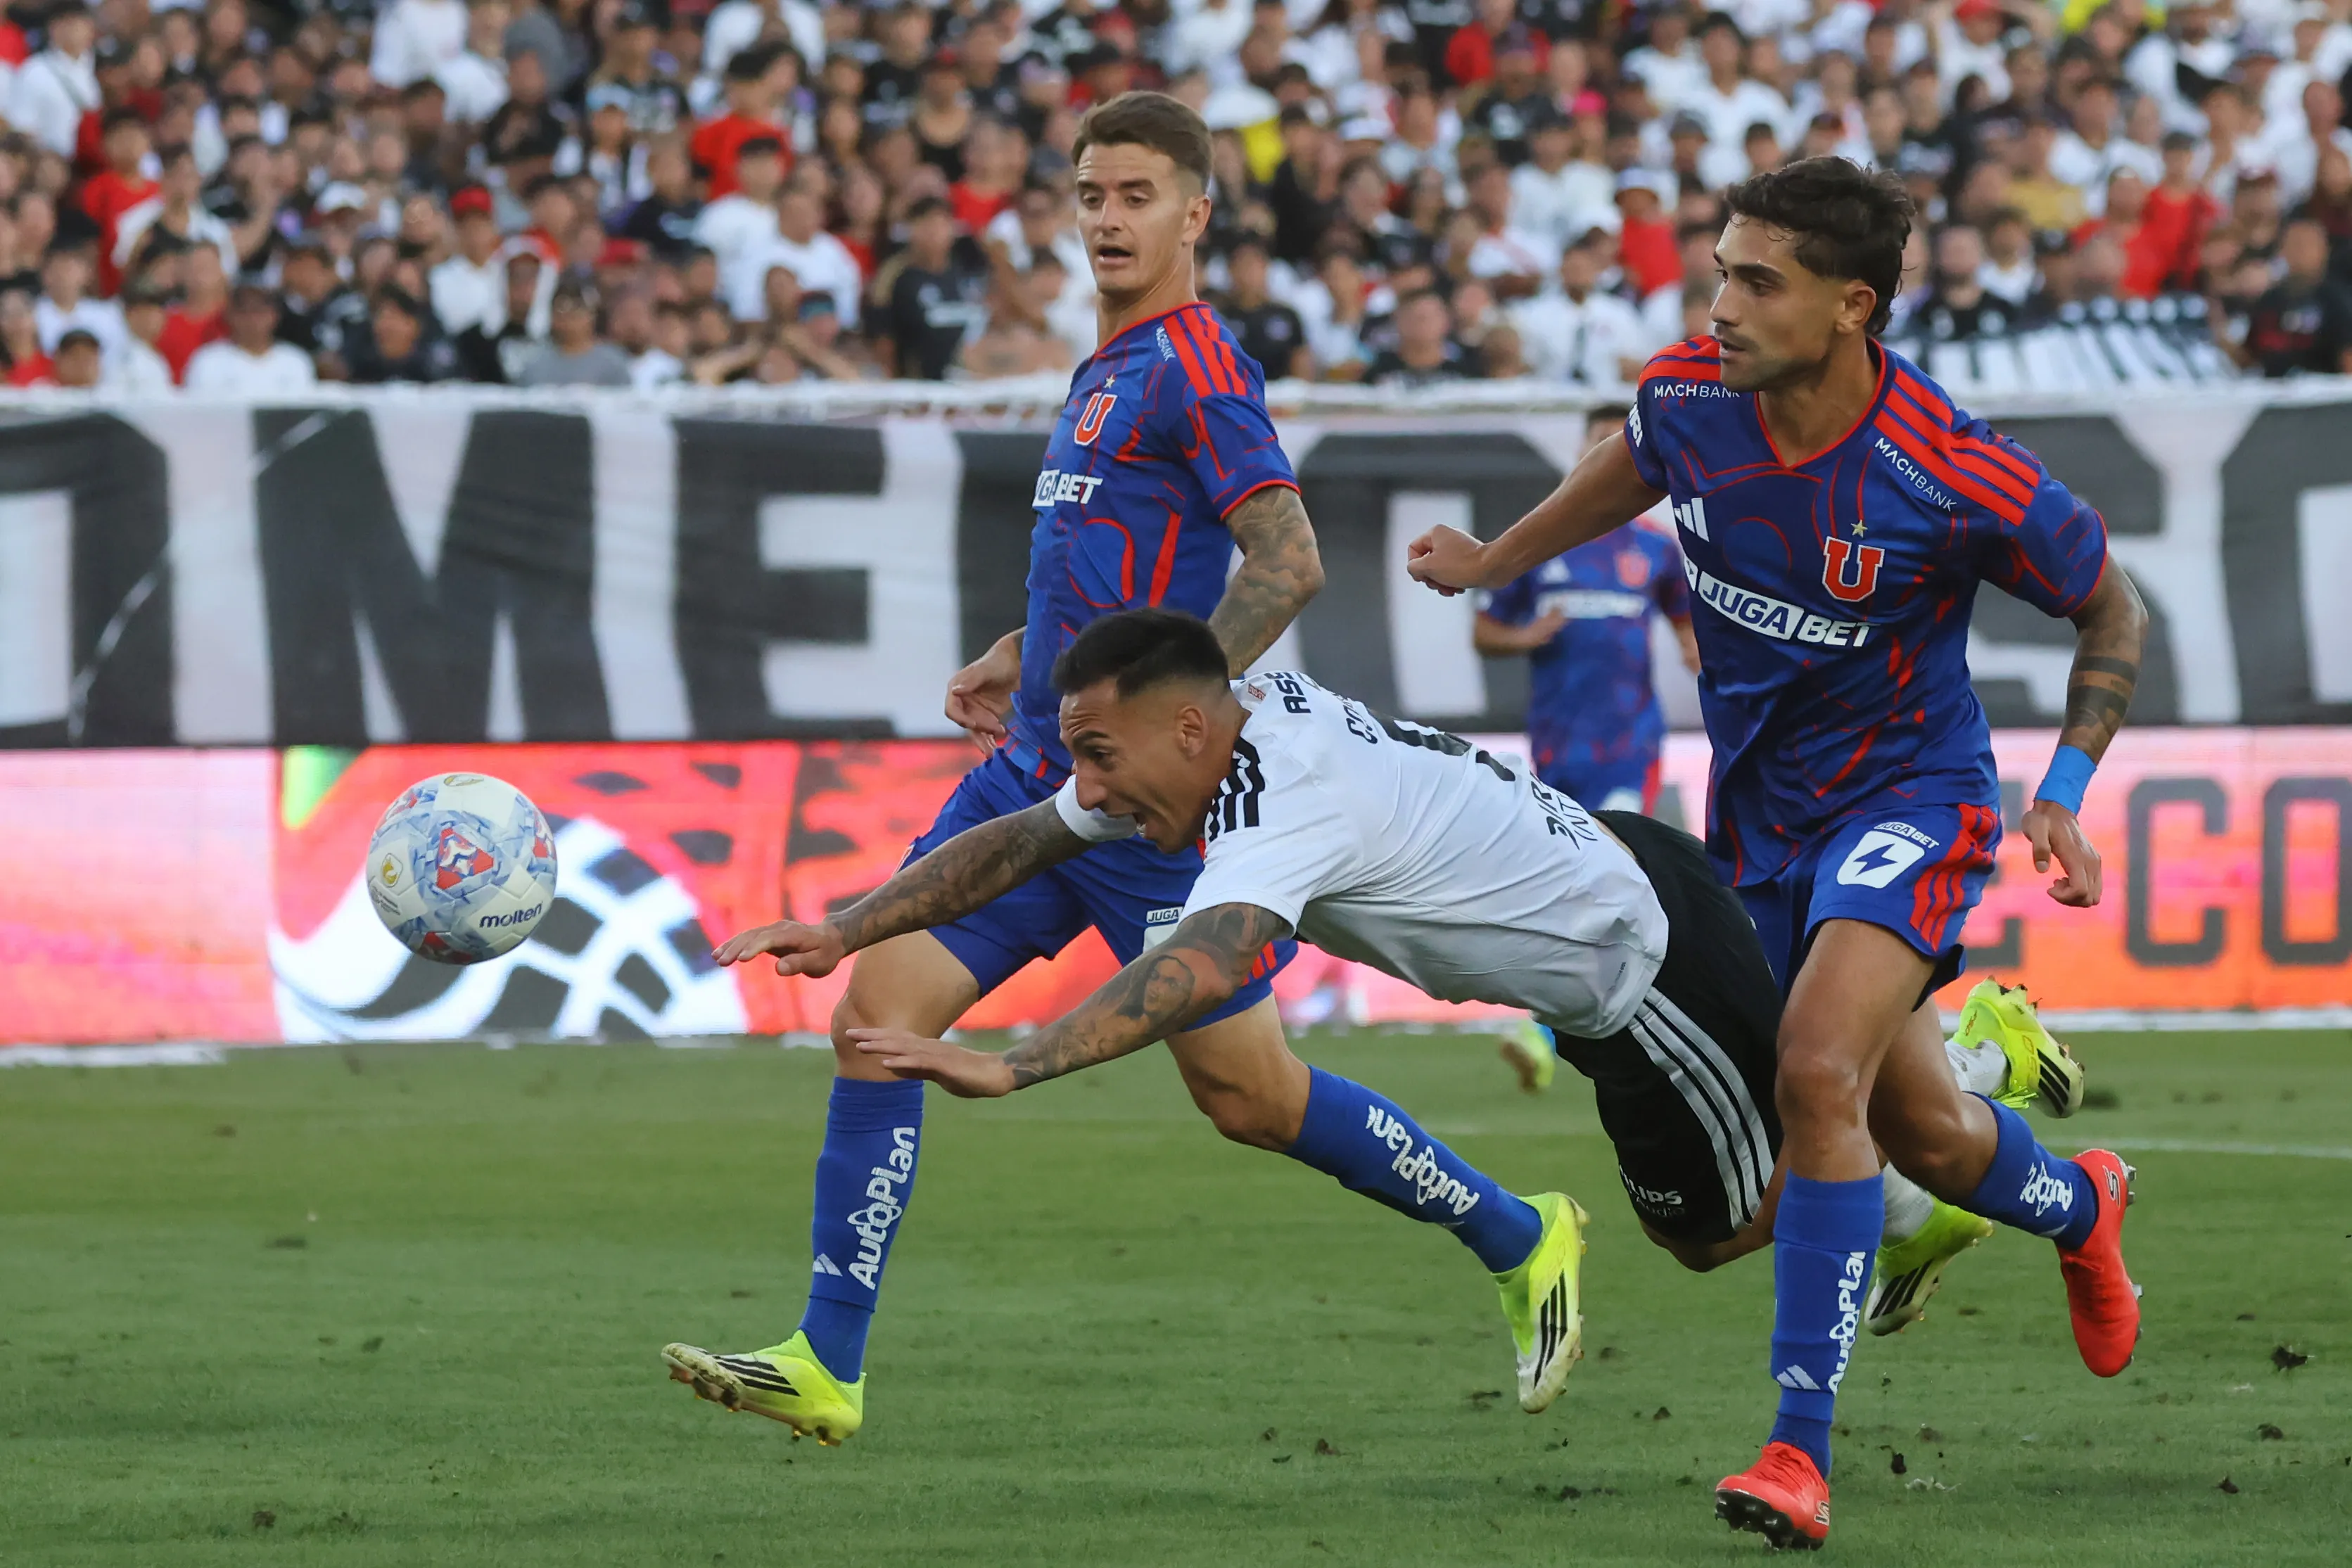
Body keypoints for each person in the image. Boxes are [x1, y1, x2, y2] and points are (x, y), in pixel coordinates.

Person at [723, 612, 2083, 1407]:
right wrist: (849, 925)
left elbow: (1199, 963)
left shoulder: (1276, 809)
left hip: (1642, 965)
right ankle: (1923, 1161)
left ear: (1185, 730)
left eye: (1097, 748)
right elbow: (1029, 833)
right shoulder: (1225, 727)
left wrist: (1012, 1068)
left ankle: (1964, 1071)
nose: (1086, 777)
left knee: (1725, 1227)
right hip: (1615, 914)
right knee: (1739, 1196)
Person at [1404, 157, 2149, 1550]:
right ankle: (2077, 1198)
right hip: (1757, 826)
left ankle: (1797, 1451)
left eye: (1758, 280)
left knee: (1817, 1069)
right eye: (1719, 272)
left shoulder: (1952, 465)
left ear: (1850, 306)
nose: (1722, 304)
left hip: (1913, 801)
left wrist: (2063, 786)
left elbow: (2115, 612)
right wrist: (1497, 559)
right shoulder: (1693, 395)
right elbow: (1624, 470)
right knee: (1910, 1129)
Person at [659, 91, 1345, 1451]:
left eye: (1136, 195)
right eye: (1090, 194)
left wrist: (1171, 720)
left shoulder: (1197, 366)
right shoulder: (1102, 369)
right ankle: (826, 1357)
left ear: (1195, 214)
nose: (1105, 218)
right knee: (878, 1009)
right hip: (1034, 772)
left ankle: (1517, 1231)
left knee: (1250, 1099)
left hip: (1137, 807)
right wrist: (1023, 647)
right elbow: (1116, 565)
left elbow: (1286, 559)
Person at [1473, 507, 1696, 814]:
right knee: (1572, 850)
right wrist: (1525, 637)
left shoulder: (1654, 542)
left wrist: (1705, 661)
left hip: (1631, 738)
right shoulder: (1535, 539)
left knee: (1622, 841)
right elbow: (1484, 633)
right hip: (1557, 738)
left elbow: (1686, 621)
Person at [184, 283, 319, 394]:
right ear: (230, 315)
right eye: (244, 311)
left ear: (275, 315)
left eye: (259, 311)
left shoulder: (295, 361)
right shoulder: (208, 360)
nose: (252, 319)